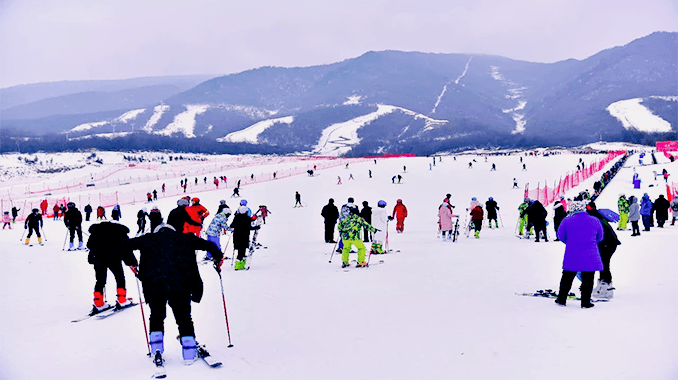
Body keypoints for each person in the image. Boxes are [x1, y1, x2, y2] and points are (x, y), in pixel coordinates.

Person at [128, 223, 223, 366]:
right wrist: (218, 258)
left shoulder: (147, 239)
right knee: (184, 318)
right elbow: (210, 246)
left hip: (154, 286)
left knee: (156, 316)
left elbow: (123, 245)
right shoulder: (185, 238)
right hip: (180, 285)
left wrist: (132, 263)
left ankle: (156, 349)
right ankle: (189, 354)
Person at [555, 201, 604, 309]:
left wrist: (570, 242)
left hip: (572, 254)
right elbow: (600, 236)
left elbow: (560, 236)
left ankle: (561, 299)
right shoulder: (594, 220)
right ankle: (586, 302)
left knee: (567, 277)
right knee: (589, 278)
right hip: (591, 253)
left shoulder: (567, 221)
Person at [87, 219, 139, 313]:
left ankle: (99, 303)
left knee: (100, 280)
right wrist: (133, 263)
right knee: (120, 278)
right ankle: (122, 300)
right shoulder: (120, 232)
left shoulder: (96, 230)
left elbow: (89, 245)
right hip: (113, 258)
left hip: (98, 258)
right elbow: (126, 249)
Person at [587, 202, 621, 300]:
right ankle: (603, 284)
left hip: (608, 243)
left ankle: (606, 287)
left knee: (604, 264)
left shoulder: (593, 217)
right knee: (602, 263)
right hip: (608, 242)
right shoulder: (596, 214)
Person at [230, 205, 255, 270]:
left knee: (239, 250)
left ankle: (240, 263)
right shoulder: (247, 218)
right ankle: (239, 264)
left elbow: (232, 225)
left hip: (236, 236)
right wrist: (256, 227)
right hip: (244, 236)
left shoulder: (236, 217)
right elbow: (249, 227)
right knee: (242, 250)